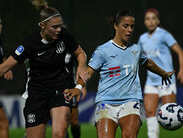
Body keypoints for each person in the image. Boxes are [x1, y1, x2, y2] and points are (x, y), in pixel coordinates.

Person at [0, 0, 87, 138]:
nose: (59, 29)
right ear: (43, 25)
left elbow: (80, 53)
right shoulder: (30, 44)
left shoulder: (64, 35)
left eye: (60, 25)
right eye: (54, 27)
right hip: (36, 95)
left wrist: (81, 67)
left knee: (59, 133)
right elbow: (5, 66)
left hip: (60, 89)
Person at [64, 10, 175, 138]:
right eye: (125, 26)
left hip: (131, 101)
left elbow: (148, 63)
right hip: (105, 102)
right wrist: (78, 87)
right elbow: (88, 72)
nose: (129, 30)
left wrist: (163, 74)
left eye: (132, 26)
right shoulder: (102, 50)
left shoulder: (135, 50)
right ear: (116, 26)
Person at [138, 8, 183, 138]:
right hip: (151, 81)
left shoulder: (163, 34)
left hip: (167, 80)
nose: (150, 21)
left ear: (158, 21)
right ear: (145, 22)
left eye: (153, 18)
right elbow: (138, 57)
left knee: (171, 114)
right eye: (148, 19)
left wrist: (182, 69)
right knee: (150, 113)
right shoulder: (142, 38)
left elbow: (180, 51)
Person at [65, 53, 87, 138]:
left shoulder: (71, 47)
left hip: (72, 87)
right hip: (58, 88)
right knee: (63, 122)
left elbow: (80, 67)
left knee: (74, 122)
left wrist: (82, 86)